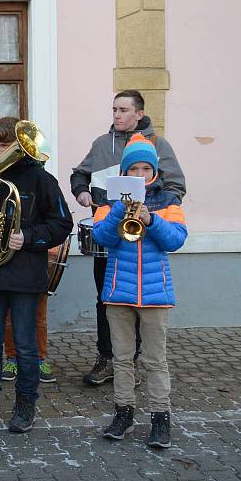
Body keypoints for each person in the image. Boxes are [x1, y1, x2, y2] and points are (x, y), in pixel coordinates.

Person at [0, 117, 73, 433]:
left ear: (19, 146)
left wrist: (30, 236)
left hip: (25, 274)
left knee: (25, 345)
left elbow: (63, 224)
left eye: (1, 145)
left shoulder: (42, 180)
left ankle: (26, 404)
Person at [71, 90, 186, 386]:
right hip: (109, 229)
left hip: (146, 235)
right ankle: (107, 358)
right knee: (106, 300)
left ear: (139, 113)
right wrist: (82, 191)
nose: (117, 115)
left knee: (142, 303)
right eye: (114, 110)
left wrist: (155, 210)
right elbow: (80, 175)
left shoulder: (158, 145)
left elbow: (175, 187)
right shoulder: (101, 143)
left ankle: (134, 362)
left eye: (123, 110)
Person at [93, 133, 187, 449]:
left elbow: (175, 240)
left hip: (155, 294)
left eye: (146, 169)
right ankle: (123, 413)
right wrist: (121, 209)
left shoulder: (168, 202)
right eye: (133, 170)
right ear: (125, 173)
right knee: (121, 359)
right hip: (119, 292)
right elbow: (103, 238)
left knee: (155, 360)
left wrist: (151, 220)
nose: (139, 175)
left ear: (154, 173)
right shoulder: (109, 202)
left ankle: (161, 419)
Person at [1, 292, 54, 383]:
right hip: (11, 281)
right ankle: (12, 360)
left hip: (38, 281)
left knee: (39, 319)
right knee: (10, 318)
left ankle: (39, 361)